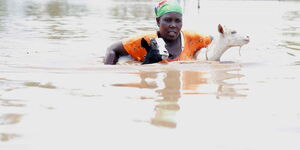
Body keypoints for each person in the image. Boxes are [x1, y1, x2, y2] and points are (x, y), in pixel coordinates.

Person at [104, 0, 212, 65]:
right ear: (158, 21)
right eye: (168, 20)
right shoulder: (146, 40)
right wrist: (109, 71)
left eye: (177, 20)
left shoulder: (191, 38)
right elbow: (112, 49)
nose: (173, 25)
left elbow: (215, 41)